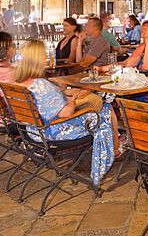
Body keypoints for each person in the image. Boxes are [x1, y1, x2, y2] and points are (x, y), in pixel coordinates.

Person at [14, 39, 115, 185]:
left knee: (94, 110)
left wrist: (57, 91)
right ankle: (104, 160)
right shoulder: (41, 84)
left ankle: (101, 154)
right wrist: (71, 99)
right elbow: (66, 113)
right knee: (103, 111)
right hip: (50, 133)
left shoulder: (18, 82)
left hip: (32, 130)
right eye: (43, 55)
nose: (45, 58)